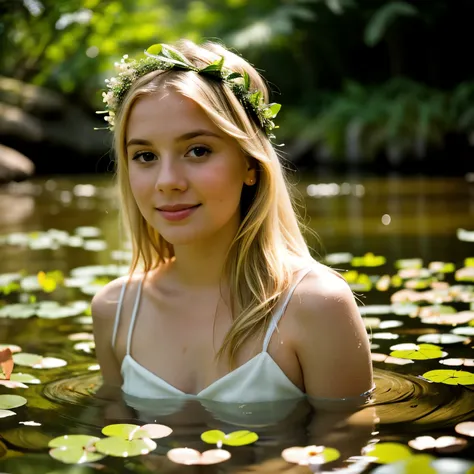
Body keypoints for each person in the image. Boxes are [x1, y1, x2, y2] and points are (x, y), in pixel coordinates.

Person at [91, 39, 374, 405]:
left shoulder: (316, 305)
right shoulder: (114, 311)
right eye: (145, 156)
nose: (167, 180)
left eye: (198, 150)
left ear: (250, 164)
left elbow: (347, 450)